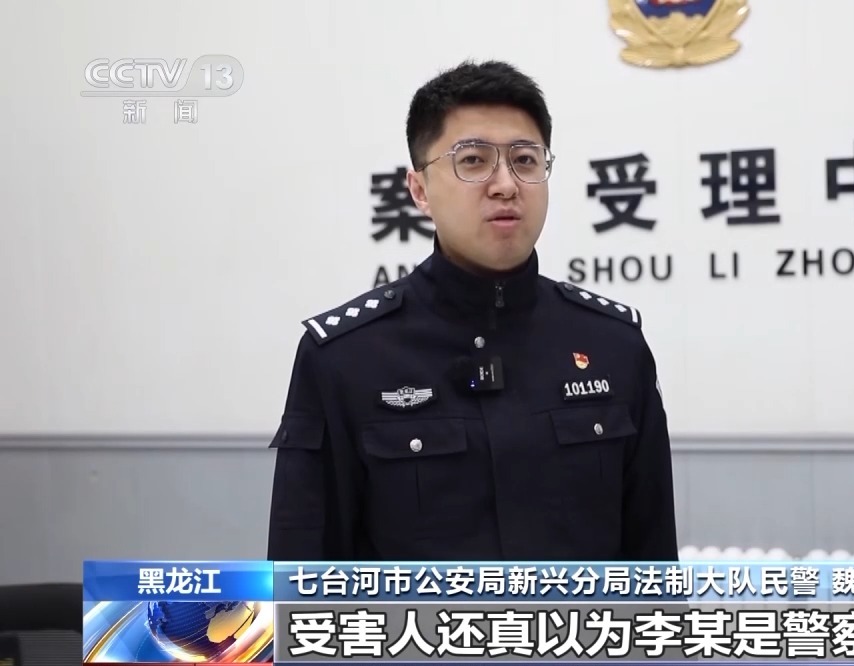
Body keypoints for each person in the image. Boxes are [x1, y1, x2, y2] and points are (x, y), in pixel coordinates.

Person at [265, 60, 678, 562]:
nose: (506, 184)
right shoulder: (344, 359)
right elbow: (303, 578)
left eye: (525, 160)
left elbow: (653, 569)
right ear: (419, 190)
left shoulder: (613, 345)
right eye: (474, 160)